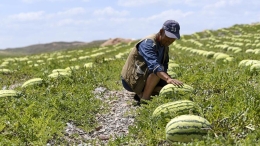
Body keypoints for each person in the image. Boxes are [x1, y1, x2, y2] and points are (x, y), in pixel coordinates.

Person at [121, 20, 183, 102]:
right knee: (157, 73)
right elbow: (154, 66)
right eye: (167, 38)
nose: (169, 41)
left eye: (172, 40)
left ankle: (142, 93)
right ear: (161, 32)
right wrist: (167, 78)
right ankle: (144, 99)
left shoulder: (164, 46)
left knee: (170, 87)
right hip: (132, 80)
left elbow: (164, 65)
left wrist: (168, 80)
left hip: (145, 75)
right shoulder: (148, 43)